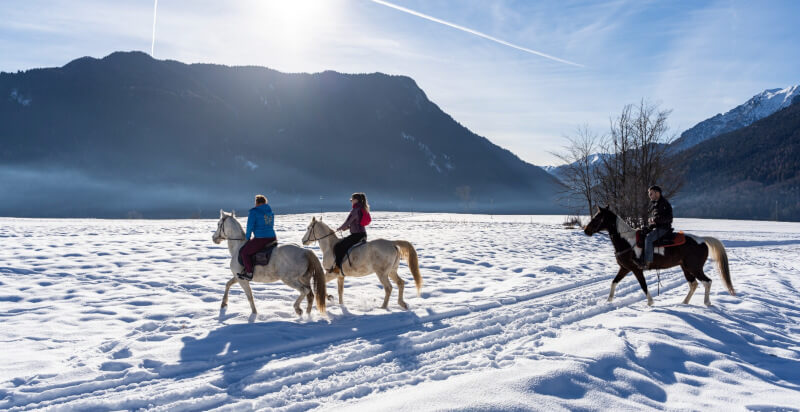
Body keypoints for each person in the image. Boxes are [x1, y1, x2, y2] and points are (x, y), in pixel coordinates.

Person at [238, 194, 277, 279]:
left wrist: (247, 238)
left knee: (245, 253)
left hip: (261, 239)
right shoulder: (270, 212)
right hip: (272, 238)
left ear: (258, 203)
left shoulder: (254, 212)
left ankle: (249, 273)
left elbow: (250, 226)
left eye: (255, 203)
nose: (255, 205)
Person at [331, 192, 371, 273]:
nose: (351, 201)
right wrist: (347, 228)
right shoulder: (362, 208)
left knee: (338, 246)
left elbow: (348, 221)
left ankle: (338, 267)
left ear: (356, 200)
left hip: (357, 235)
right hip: (362, 234)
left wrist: (340, 228)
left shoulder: (355, 210)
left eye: (351, 200)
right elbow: (356, 222)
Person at [638, 185, 673, 269]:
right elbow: (657, 220)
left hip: (664, 228)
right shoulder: (656, 203)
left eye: (651, 193)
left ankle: (647, 262)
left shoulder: (663, 203)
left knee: (649, 239)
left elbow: (669, 218)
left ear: (657, 193)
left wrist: (655, 220)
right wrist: (650, 226)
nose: (649, 195)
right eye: (649, 194)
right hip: (658, 227)